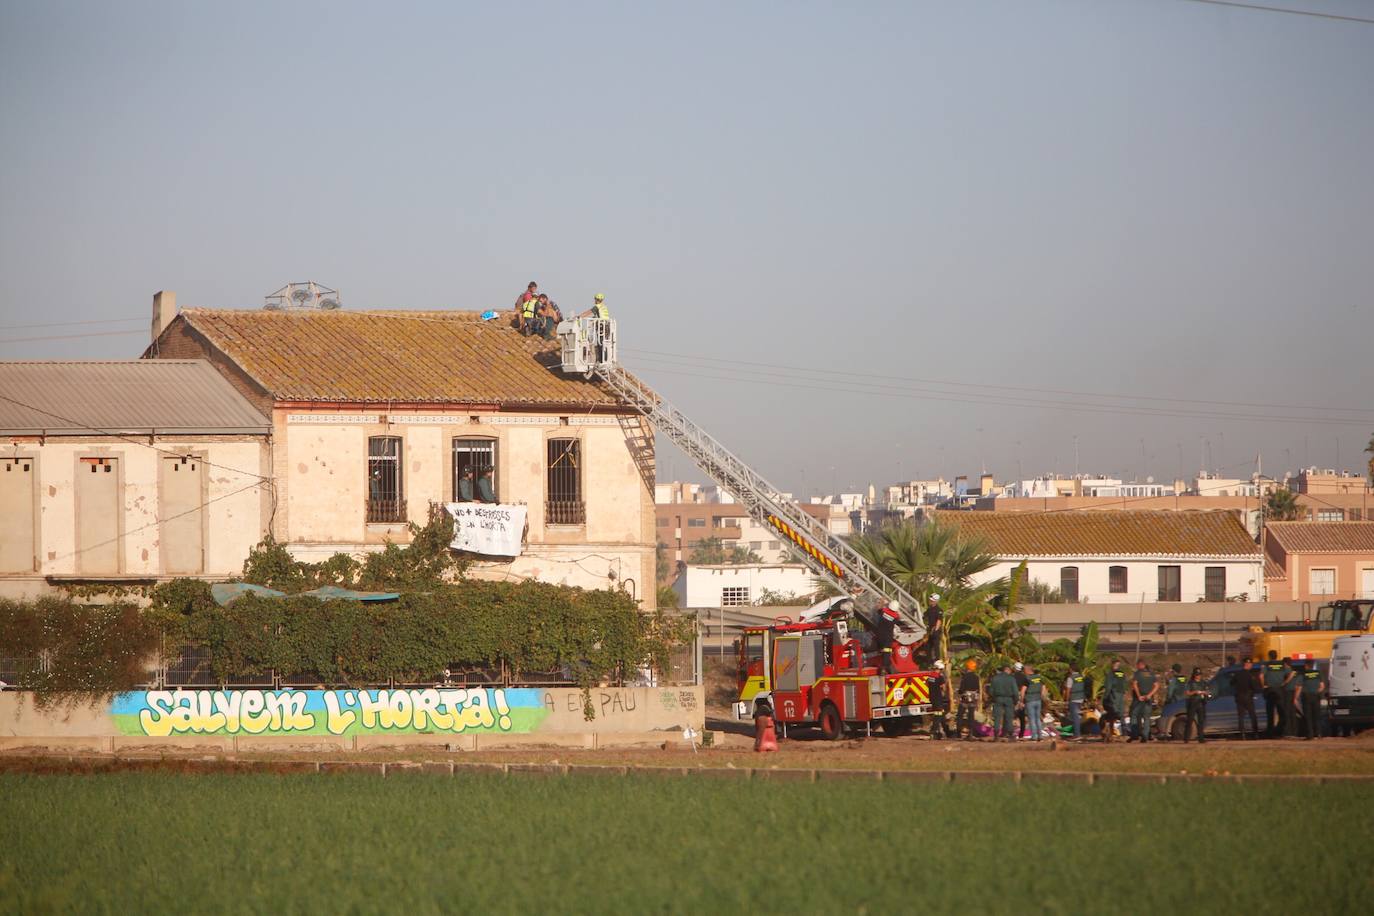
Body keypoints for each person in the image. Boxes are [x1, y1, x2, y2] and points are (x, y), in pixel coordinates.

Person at [1128, 660, 1159, 743]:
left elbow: (1134, 684)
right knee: (1146, 718)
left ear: (1139, 665)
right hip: (1148, 699)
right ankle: (1145, 736)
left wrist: (1138, 696)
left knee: (1134, 715)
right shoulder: (1151, 674)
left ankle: (1135, 735)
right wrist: (1149, 695)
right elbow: (1156, 686)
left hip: (1139, 699)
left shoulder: (1137, 674)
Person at [1231, 658, 1260, 740]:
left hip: (1239, 697)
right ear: (1247, 664)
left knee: (1241, 716)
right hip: (1248, 697)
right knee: (1252, 715)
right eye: (1251, 664)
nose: (1251, 665)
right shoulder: (1250, 675)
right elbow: (1254, 687)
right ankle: (1255, 734)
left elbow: (1231, 683)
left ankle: (1242, 734)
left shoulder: (1237, 674)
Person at [1261, 650, 1288, 738]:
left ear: (1269, 656)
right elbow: (1291, 673)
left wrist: (1263, 685)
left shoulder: (1267, 665)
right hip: (1280, 690)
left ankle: (1270, 733)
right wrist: (1284, 683)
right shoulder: (1282, 664)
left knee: (1270, 713)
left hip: (1270, 690)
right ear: (1276, 656)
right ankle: (1280, 732)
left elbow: (1261, 676)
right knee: (1282, 712)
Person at [1296, 661, 1324, 740]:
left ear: (1306, 666)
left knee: (1308, 716)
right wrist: (1316, 692)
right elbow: (1322, 686)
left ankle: (1310, 735)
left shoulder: (1303, 674)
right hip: (1316, 696)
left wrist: (1296, 697)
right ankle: (1318, 734)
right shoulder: (1318, 673)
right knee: (1317, 716)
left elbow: (1300, 687)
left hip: (1307, 697)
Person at [989, 663, 1018, 741]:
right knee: (1009, 717)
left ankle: (996, 736)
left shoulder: (995, 678)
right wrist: (1016, 700)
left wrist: (994, 698)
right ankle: (1011, 735)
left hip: (998, 698)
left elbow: (991, 691)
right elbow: (1015, 691)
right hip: (1009, 699)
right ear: (1007, 670)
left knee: (997, 717)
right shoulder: (1011, 679)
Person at [1101, 658, 1127, 743]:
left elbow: (1108, 687)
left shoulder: (1110, 674)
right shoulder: (1122, 674)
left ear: (1112, 665)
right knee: (1121, 714)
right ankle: (1124, 732)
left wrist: (1105, 697)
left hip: (1113, 695)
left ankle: (1109, 733)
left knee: (1112, 713)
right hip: (1121, 695)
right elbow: (1125, 685)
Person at [1183, 667, 1210, 743]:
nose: (1198, 676)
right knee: (1190, 720)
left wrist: (1205, 693)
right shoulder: (1190, 683)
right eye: (1197, 674)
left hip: (1201, 702)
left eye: (1199, 674)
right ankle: (1186, 738)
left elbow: (1208, 691)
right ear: (1194, 675)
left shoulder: (1203, 683)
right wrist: (1195, 692)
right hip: (1192, 702)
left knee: (1201, 721)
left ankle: (1201, 738)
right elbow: (1187, 693)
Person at [956, 658, 980, 740]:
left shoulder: (965, 677)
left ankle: (958, 732)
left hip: (965, 697)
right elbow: (978, 688)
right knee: (971, 715)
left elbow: (962, 689)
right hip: (973, 698)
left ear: (967, 667)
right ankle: (971, 733)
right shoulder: (976, 677)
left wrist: (959, 692)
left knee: (960, 714)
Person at [1021, 663, 1046, 741]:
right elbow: (1043, 688)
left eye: (1024, 670)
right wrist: (1042, 697)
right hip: (1038, 700)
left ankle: (1034, 736)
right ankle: (1040, 735)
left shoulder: (1027, 679)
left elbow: (1023, 691)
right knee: (1037, 718)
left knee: (1031, 719)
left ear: (1027, 670)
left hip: (1030, 700)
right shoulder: (1039, 678)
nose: (1023, 672)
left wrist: (1022, 700)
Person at [1064, 662, 1087, 741]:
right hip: (1081, 699)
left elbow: (1068, 690)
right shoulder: (1081, 677)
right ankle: (1077, 733)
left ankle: (1077, 735)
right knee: (1078, 717)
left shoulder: (1070, 678)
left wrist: (1066, 701)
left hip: (1074, 699)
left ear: (1071, 669)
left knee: (1075, 718)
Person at [928, 660, 950, 740]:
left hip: (932, 699)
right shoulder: (939, 677)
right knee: (938, 716)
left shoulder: (930, 676)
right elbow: (943, 688)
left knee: (940, 715)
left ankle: (945, 731)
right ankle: (933, 732)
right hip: (938, 699)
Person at [1282, 658, 1300, 737]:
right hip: (1294, 692)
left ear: (1285, 663)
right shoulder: (1294, 671)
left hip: (1288, 692)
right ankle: (1295, 731)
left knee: (1287, 712)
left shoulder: (1286, 671)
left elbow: (1282, 681)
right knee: (1293, 712)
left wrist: (1283, 683)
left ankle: (1288, 731)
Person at [1013, 661, 1029, 738]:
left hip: (1014, 697)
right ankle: (1021, 734)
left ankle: (1011, 733)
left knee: (1012, 715)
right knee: (1022, 716)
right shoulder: (1025, 677)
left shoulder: (1012, 676)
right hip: (1022, 697)